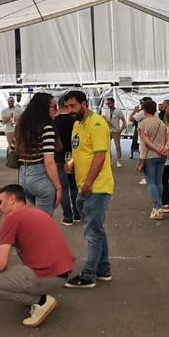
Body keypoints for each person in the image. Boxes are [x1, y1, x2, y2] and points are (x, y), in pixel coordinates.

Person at [0, 184, 75, 327]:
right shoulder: (33, 212)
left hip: (46, 276)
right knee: (15, 263)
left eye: (0, 202)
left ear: (12, 199)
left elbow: (0, 265)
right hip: (61, 274)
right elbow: (14, 241)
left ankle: (40, 301)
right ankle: (37, 297)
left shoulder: (11, 218)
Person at [63, 91, 114, 289]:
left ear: (84, 104)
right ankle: (103, 269)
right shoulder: (77, 124)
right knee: (97, 230)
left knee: (92, 232)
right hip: (84, 186)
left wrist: (89, 182)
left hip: (96, 187)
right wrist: (72, 162)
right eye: (67, 107)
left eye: (73, 106)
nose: (70, 110)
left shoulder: (97, 123)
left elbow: (100, 156)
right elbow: (81, 151)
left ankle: (89, 275)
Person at [14, 93, 62, 216]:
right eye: (53, 107)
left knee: (37, 218)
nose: (56, 111)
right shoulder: (47, 128)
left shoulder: (22, 126)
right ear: (44, 108)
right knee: (43, 224)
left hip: (23, 177)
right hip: (39, 176)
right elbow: (49, 162)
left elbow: (14, 147)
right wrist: (58, 187)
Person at [137, 99, 169, 220]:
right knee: (159, 182)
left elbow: (145, 142)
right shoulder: (161, 122)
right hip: (162, 156)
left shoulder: (143, 123)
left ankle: (157, 207)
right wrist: (164, 149)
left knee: (151, 182)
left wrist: (155, 150)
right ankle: (157, 206)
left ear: (144, 110)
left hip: (149, 156)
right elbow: (168, 138)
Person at [53, 99, 81, 226]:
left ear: (58, 107)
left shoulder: (54, 121)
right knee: (74, 186)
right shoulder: (74, 120)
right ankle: (77, 213)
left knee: (63, 188)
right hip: (71, 156)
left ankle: (68, 216)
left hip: (58, 157)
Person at [102, 97, 126, 167]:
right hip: (108, 131)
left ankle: (118, 161)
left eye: (109, 103)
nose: (108, 105)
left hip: (116, 131)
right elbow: (105, 121)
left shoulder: (118, 111)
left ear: (113, 103)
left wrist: (121, 130)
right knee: (107, 147)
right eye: (107, 104)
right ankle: (110, 161)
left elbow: (124, 122)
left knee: (118, 147)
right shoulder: (106, 111)